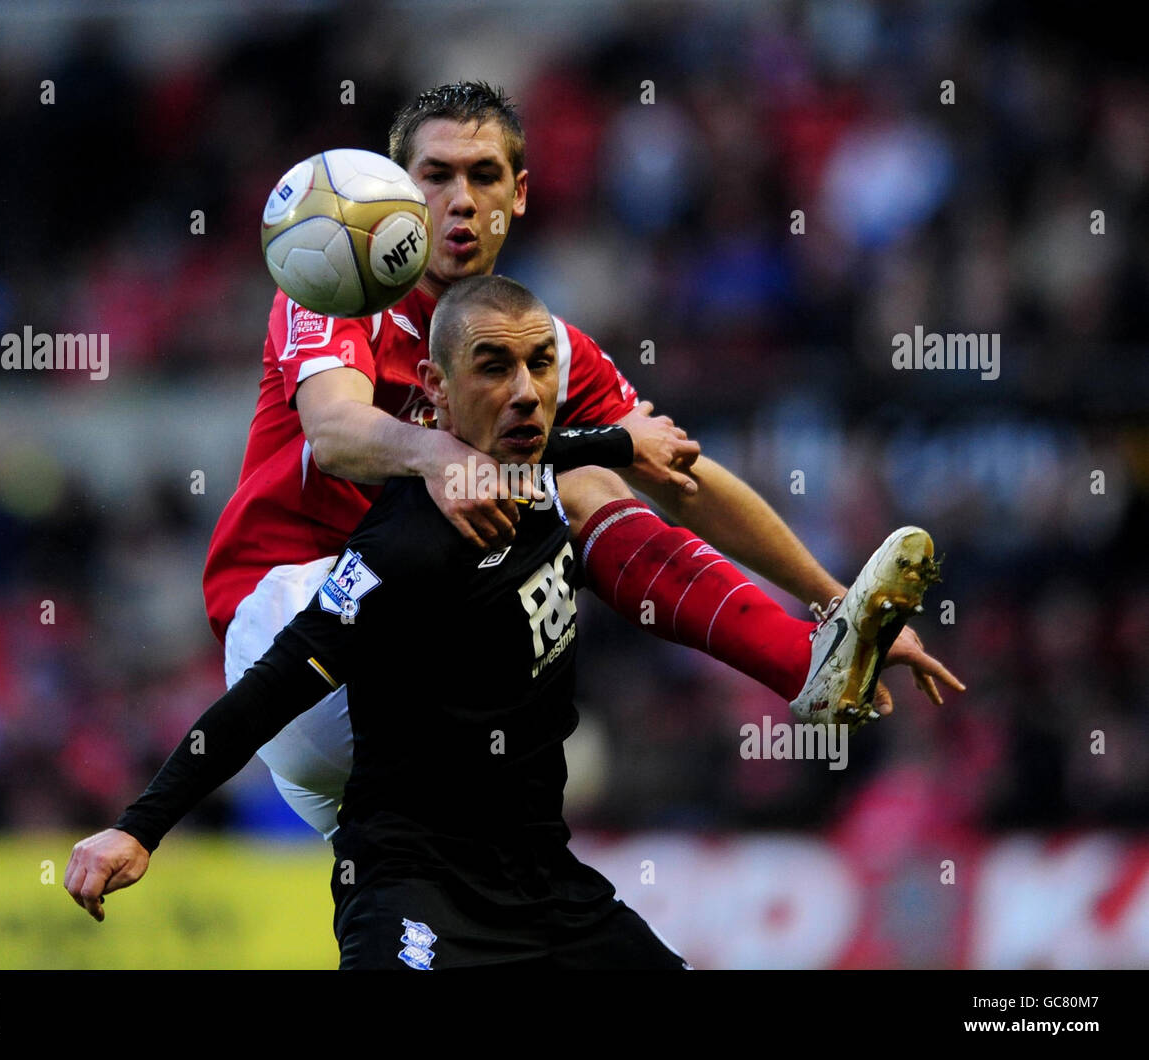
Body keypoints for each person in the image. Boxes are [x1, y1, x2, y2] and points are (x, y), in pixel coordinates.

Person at [202, 81, 963, 838]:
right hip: (296, 637)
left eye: (484, 175)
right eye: (436, 176)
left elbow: (684, 480)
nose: (461, 200)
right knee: (574, 480)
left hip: (398, 711)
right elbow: (335, 430)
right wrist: (440, 454)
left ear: (521, 193)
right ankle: (784, 668)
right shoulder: (340, 286)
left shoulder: (543, 348)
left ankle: (809, 662)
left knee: (443, 929)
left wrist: (835, 600)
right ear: (400, 193)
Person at [67, 277, 696, 968]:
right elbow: (270, 688)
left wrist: (621, 439)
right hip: (419, 895)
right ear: (435, 388)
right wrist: (138, 828)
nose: (524, 391)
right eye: (493, 366)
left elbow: (555, 448)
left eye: (540, 364)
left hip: (550, 890)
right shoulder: (404, 544)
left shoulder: (531, 464)